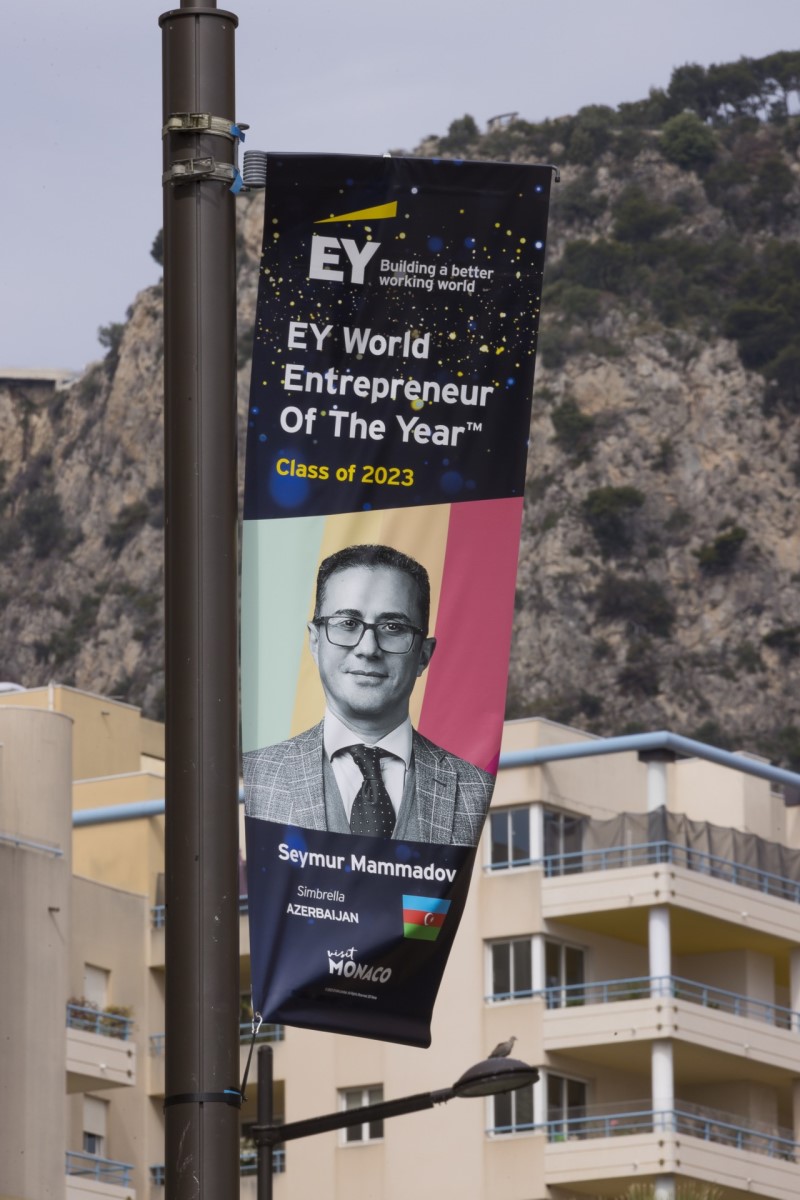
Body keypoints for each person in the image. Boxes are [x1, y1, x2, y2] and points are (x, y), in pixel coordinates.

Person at [243, 543, 493, 845]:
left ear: (424, 655)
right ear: (315, 642)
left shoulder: (475, 787)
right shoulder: (256, 775)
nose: (368, 648)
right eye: (348, 623)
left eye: (393, 627)